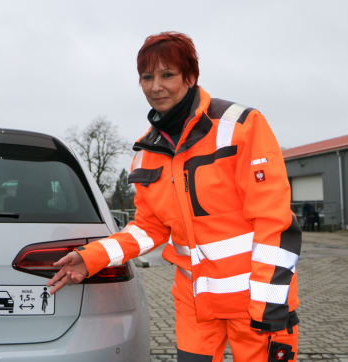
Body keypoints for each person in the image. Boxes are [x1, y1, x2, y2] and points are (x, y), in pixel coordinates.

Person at [48, 31, 301, 362]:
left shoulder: (241, 127)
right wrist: (91, 257)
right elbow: (148, 228)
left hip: (255, 304)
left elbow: (274, 221)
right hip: (194, 307)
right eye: (147, 77)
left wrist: (269, 305)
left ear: (191, 76)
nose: (156, 87)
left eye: (167, 74)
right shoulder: (145, 152)